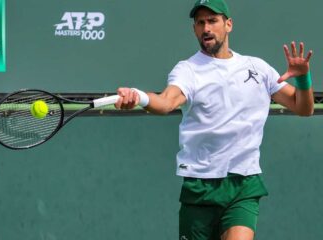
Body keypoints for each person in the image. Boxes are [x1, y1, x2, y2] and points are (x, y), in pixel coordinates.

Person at [114, 0, 314, 239]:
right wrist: (139, 96)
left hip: (243, 183)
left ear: (228, 24)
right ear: (194, 29)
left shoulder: (257, 68)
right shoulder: (187, 70)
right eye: (200, 22)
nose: (206, 28)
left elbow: (303, 108)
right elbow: (166, 102)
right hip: (200, 186)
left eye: (212, 21)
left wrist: (303, 78)